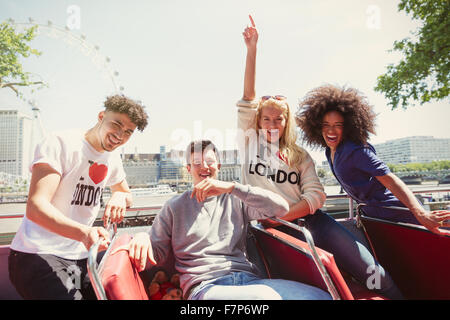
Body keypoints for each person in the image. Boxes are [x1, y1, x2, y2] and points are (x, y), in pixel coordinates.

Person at [236, 15, 404, 299]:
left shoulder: (300, 156)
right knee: (319, 288)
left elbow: (315, 196)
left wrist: (284, 214)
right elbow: (248, 96)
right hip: (275, 233)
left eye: (279, 119)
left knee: (377, 275)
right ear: (258, 121)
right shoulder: (249, 142)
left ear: (286, 122)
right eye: (266, 119)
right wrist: (252, 49)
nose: (272, 124)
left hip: (314, 223)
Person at [127, 140, 331, 300]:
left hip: (248, 281)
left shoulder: (235, 199)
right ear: (188, 169)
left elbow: (281, 208)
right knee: (265, 298)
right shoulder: (174, 206)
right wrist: (142, 237)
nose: (204, 167)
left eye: (209, 162)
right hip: (205, 287)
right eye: (197, 163)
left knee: (321, 297)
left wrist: (233, 187)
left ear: (219, 165)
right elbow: (157, 254)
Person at [8, 94, 149, 299]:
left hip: (80, 258)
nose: (120, 135)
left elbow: (125, 193)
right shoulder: (60, 143)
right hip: (37, 254)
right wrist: (84, 233)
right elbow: (36, 207)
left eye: (128, 132)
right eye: (116, 124)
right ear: (101, 116)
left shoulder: (113, 158)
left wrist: (119, 196)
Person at [296, 84, 450, 235]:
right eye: (325, 124)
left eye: (338, 125)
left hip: (398, 217)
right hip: (374, 218)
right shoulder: (329, 150)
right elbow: (298, 121)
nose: (331, 130)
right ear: (316, 126)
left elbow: (389, 179)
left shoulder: (355, 150)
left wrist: (422, 214)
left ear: (349, 125)